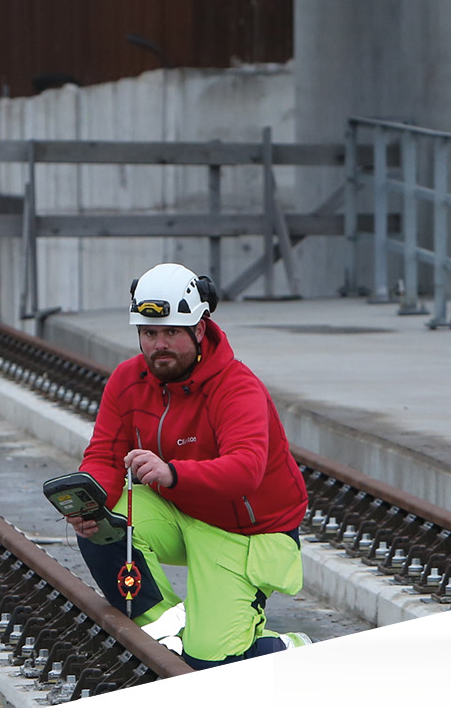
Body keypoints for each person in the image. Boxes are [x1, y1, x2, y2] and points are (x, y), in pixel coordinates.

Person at [68, 262, 312, 669]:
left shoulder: (237, 386)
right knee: (103, 523)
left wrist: (172, 473)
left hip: (248, 531)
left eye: (171, 333)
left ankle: (290, 650)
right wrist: (88, 503)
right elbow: (104, 456)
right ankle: (169, 631)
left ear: (199, 330)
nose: (159, 344)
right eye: (149, 333)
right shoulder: (128, 380)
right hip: (182, 512)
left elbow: (247, 468)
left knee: (210, 666)